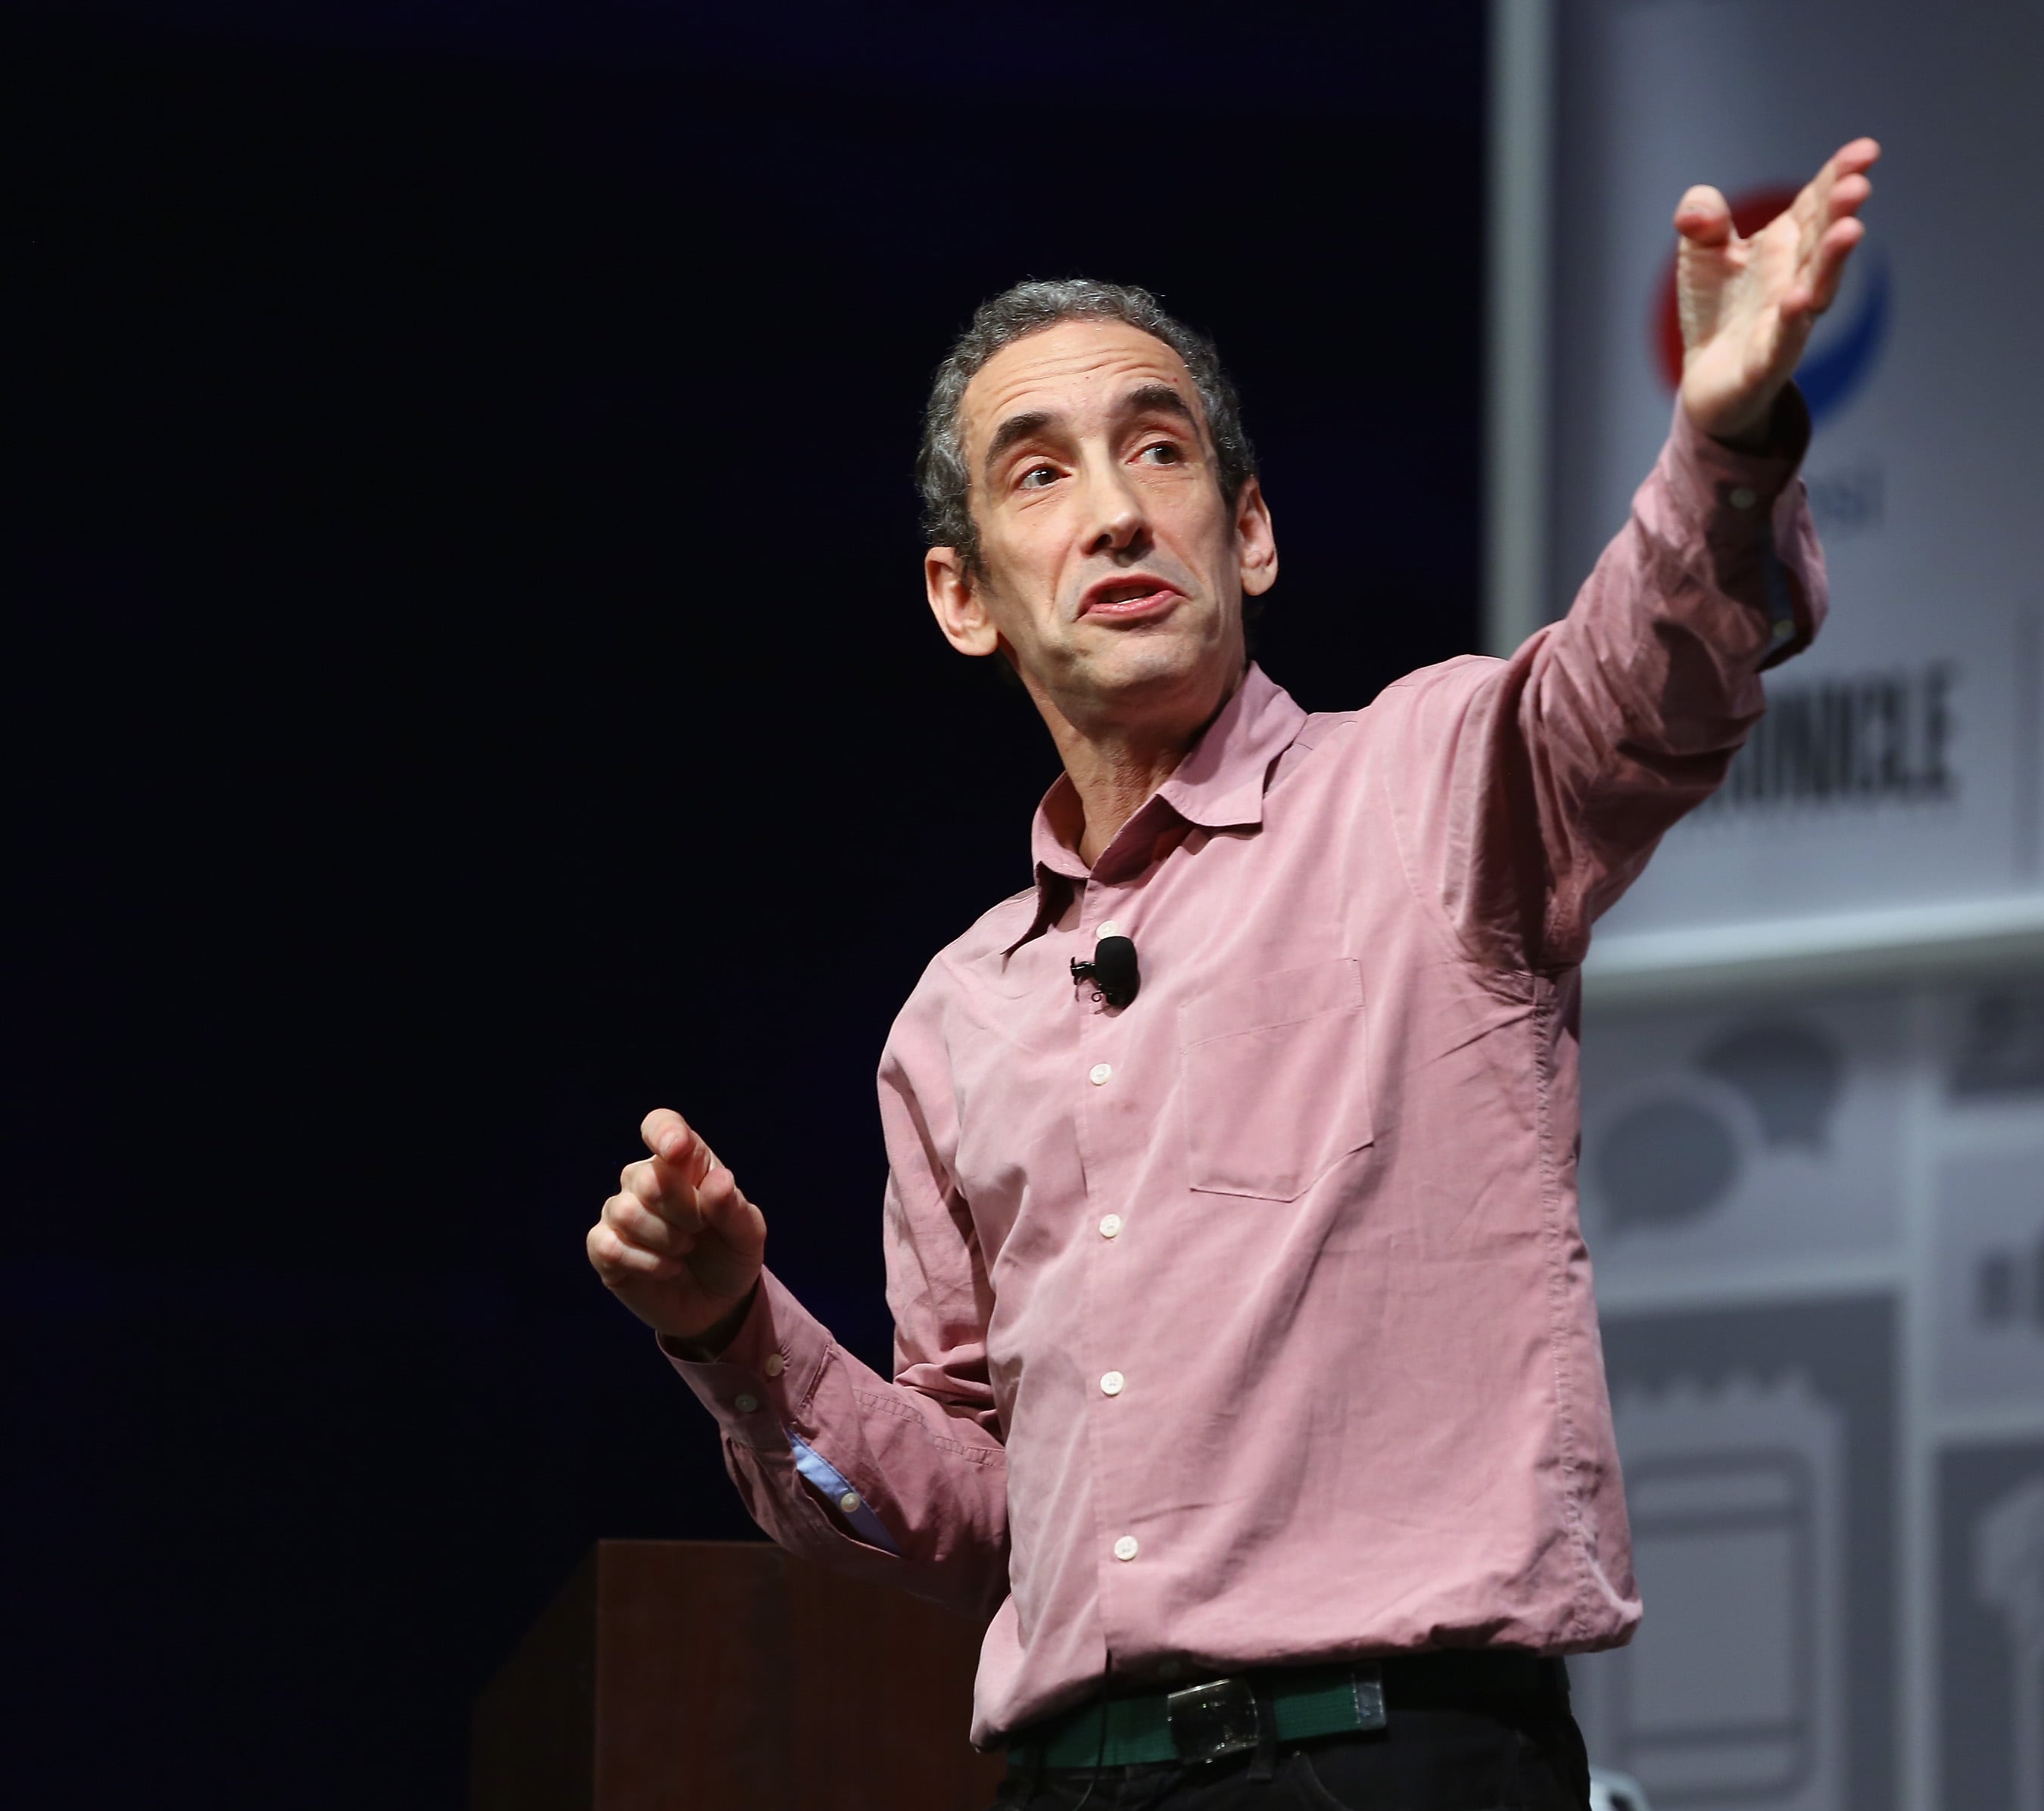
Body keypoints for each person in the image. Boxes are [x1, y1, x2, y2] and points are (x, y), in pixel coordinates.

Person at [587, 138, 1880, 1808]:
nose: (1117, 505)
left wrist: (1726, 439)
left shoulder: (1432, 781)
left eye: (1160, 447)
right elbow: (982, 1506)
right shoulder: (955, 1017)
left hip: (1394, 1756)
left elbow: (1651, 681)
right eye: (1038, 473)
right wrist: (731, 1331)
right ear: (962, 596)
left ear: (1249, 528)